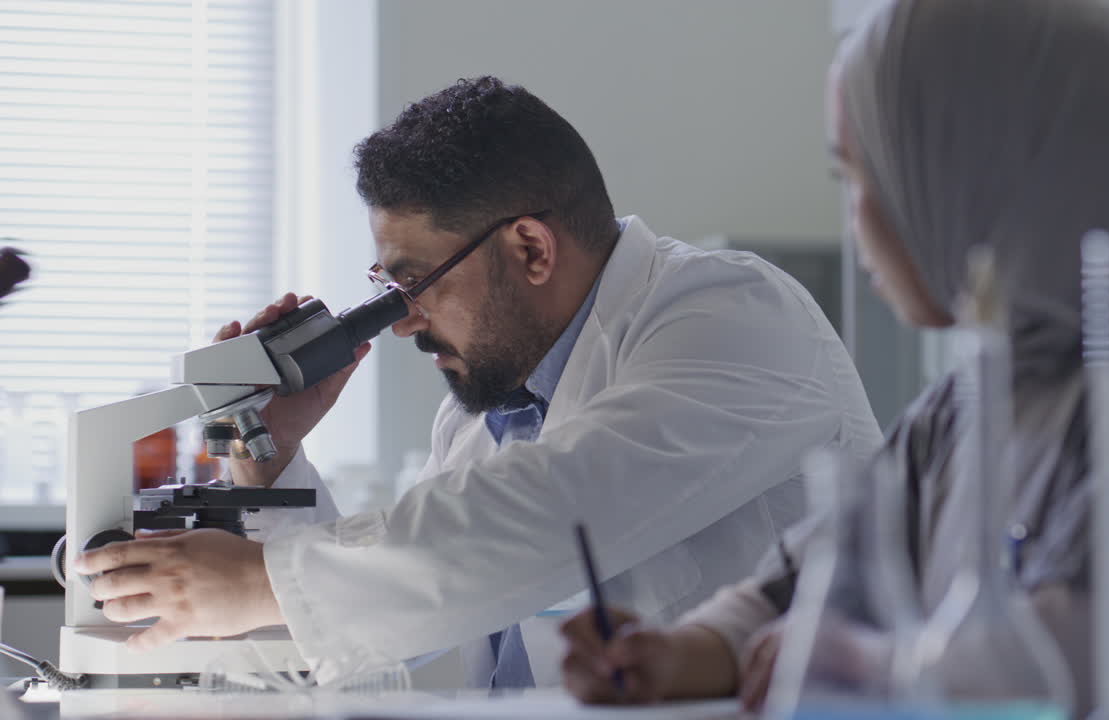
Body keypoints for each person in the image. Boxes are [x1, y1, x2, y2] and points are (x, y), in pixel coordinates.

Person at [560, 0, 1109, 716]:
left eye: (861, 177)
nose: (856, 221)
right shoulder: (964, 404)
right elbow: (801, 584)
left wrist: (855, 662)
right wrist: (675, 655)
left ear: (974, 176)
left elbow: (1083, 669)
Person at [73, 76, 883, 688]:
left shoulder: (735, 312)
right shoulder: (492, 406)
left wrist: (256, 583)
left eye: (413, 282)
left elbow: (559, 507)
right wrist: (269, 455)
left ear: (531, 248)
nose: (400, 321)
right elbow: (389, 627)